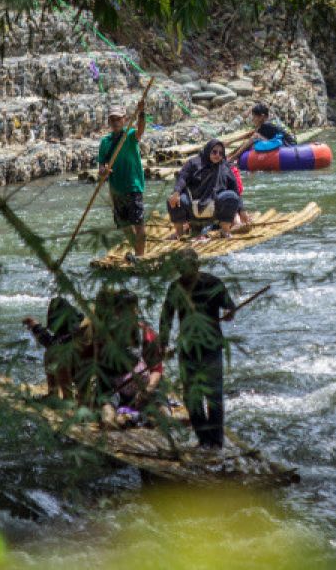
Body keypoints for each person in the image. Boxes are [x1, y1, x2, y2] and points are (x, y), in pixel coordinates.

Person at [157, 249, 237, 449]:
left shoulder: (213, 283)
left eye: (188, 268)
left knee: (213, 394)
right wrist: (163, 343)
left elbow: (230, 306)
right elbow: (166, 317)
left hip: (211, 345)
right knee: (192, 395)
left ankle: (216, 441)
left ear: (196, 266)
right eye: (181, 269)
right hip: (188, 347)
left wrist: (229, 312)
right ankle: (203, 438)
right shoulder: (175, 288)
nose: (185, 272)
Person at [97, 104, 147, 260]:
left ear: (125, 119)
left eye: (118, 118)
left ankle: (140, 256)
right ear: (109, 122)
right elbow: (101, 168)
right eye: (112, 119)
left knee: (138, 222)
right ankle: (136, 250)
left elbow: (141, 130)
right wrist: (103, 172)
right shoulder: (105, 142)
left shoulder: (130, 135)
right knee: (124, 225)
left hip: (133, 185)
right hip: (116, 189)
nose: (115, 122)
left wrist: (141, 113)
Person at [167, 139, 243, 239]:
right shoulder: (193, 163)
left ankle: (225, 231)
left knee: (231, 196)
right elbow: (182, 178)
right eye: (214, 152)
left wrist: (242, 210)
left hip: (216, 206)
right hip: (193, 205)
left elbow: (235, 189)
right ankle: (179, 233)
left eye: (221, 153)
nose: (217, 155)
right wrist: (176, 193)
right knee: (174, 200)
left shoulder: (224, 167)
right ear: (207, 150)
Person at [23, 296, 89, 400]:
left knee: (55, 354)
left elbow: (53, 345)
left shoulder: (76, 330)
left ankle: (66, 397)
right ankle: (55, 394)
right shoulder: (77, 323)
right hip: (82, 367)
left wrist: (35, 326)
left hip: (81, 368)